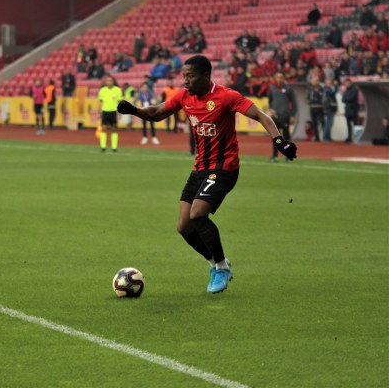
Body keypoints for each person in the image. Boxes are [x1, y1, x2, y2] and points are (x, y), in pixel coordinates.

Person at [117, 55, 297, 294]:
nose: (186, 81)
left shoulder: (226, 96)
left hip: (224, 167)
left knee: (198, 214)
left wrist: (279, 141)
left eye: (190, 76)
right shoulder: (184, 96)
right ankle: (215, 264)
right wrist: (135, 110)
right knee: (184, 226)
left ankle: (222, 267)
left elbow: (261, 116)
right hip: (200, 168)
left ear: (206, 76)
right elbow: (158, 113)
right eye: (184, 76)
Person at [268, 71, 297, 162]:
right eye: (277, 77)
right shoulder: (272, 88)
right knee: (276, 137)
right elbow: (270, 101)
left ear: (284, 78)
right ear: (275, 78)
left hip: (285, 116)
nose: (279, 79)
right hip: (275, 116)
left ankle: (288, 156)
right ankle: (275, 156)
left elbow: (294, 103)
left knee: (286, 136)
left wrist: (292, 115)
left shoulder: (288, 89)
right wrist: (271, 109)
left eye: (281, 77)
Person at [98, 75, 122, 152]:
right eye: (108, 81)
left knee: (114, 129)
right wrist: (99, 111)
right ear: (106, 82)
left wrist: (119, 113)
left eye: (111, 81)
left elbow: (119, 103)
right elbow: (100, 102)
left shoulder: (117, 90)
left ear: (113, 82)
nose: (109, 82)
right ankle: (103, 147)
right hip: (105, 111)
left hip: (114, 111)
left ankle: (114, 148)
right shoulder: (102, 90)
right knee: (104, 129)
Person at [306, 77, 323, 142]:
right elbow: (307, 98)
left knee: (321, 122)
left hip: (320, 107)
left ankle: (323, 136)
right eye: (312, 81)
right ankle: (317, 137)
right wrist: (309, 102)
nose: (313, 82)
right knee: (314, 123)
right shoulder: (310, 89)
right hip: (312, 107)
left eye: (315, 81)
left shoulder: (321, 88)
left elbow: (324, 96)